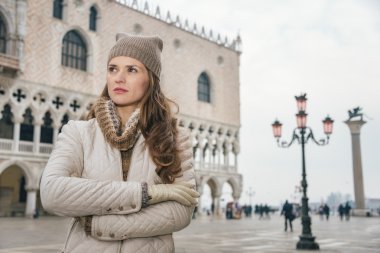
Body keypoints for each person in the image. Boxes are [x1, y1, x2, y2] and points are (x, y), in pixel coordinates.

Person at [40, 33, 199, 253]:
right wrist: (149, 194)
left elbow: (180, 212)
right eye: (113, 69)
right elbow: (52, 193)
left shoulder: (175, 138)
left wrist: (97, 223)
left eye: (132, 70)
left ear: (151, 79)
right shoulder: (78, 132)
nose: (118, 78)